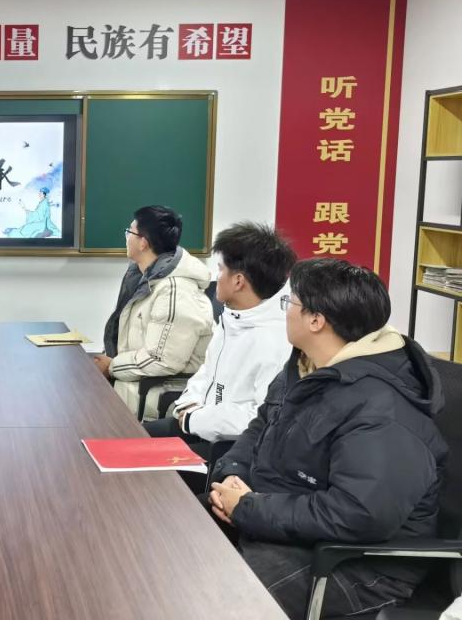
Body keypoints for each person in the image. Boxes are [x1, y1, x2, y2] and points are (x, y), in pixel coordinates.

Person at [209, 259, 447, 620]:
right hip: (284, 523)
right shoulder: (306, 366)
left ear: (316, 321)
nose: (285, 311)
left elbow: (358, 514)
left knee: (212, 593)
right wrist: (233, 473)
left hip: (355, 563)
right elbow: (261, 425)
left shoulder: (383, 409)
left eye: (290, 302)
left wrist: (248, 508)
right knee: (172, 532)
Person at [144, 222, 296, 445]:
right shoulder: (232, 319)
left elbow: (262, 417)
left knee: (135, 452)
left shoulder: (275, 340)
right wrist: (189, 405)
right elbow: (206, 373)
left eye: (221, 269)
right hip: (199, 426)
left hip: (233, 447)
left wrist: (198, 419)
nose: (217, 276)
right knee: (129, 438)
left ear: (238, 281)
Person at [94, 205, 214, 416]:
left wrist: (112, 366)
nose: (126, 238)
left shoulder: (175, 291)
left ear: (143, 242)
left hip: (152, 397)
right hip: (132, 384)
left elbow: (160, 360)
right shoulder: (143, 279)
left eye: (129, 232)